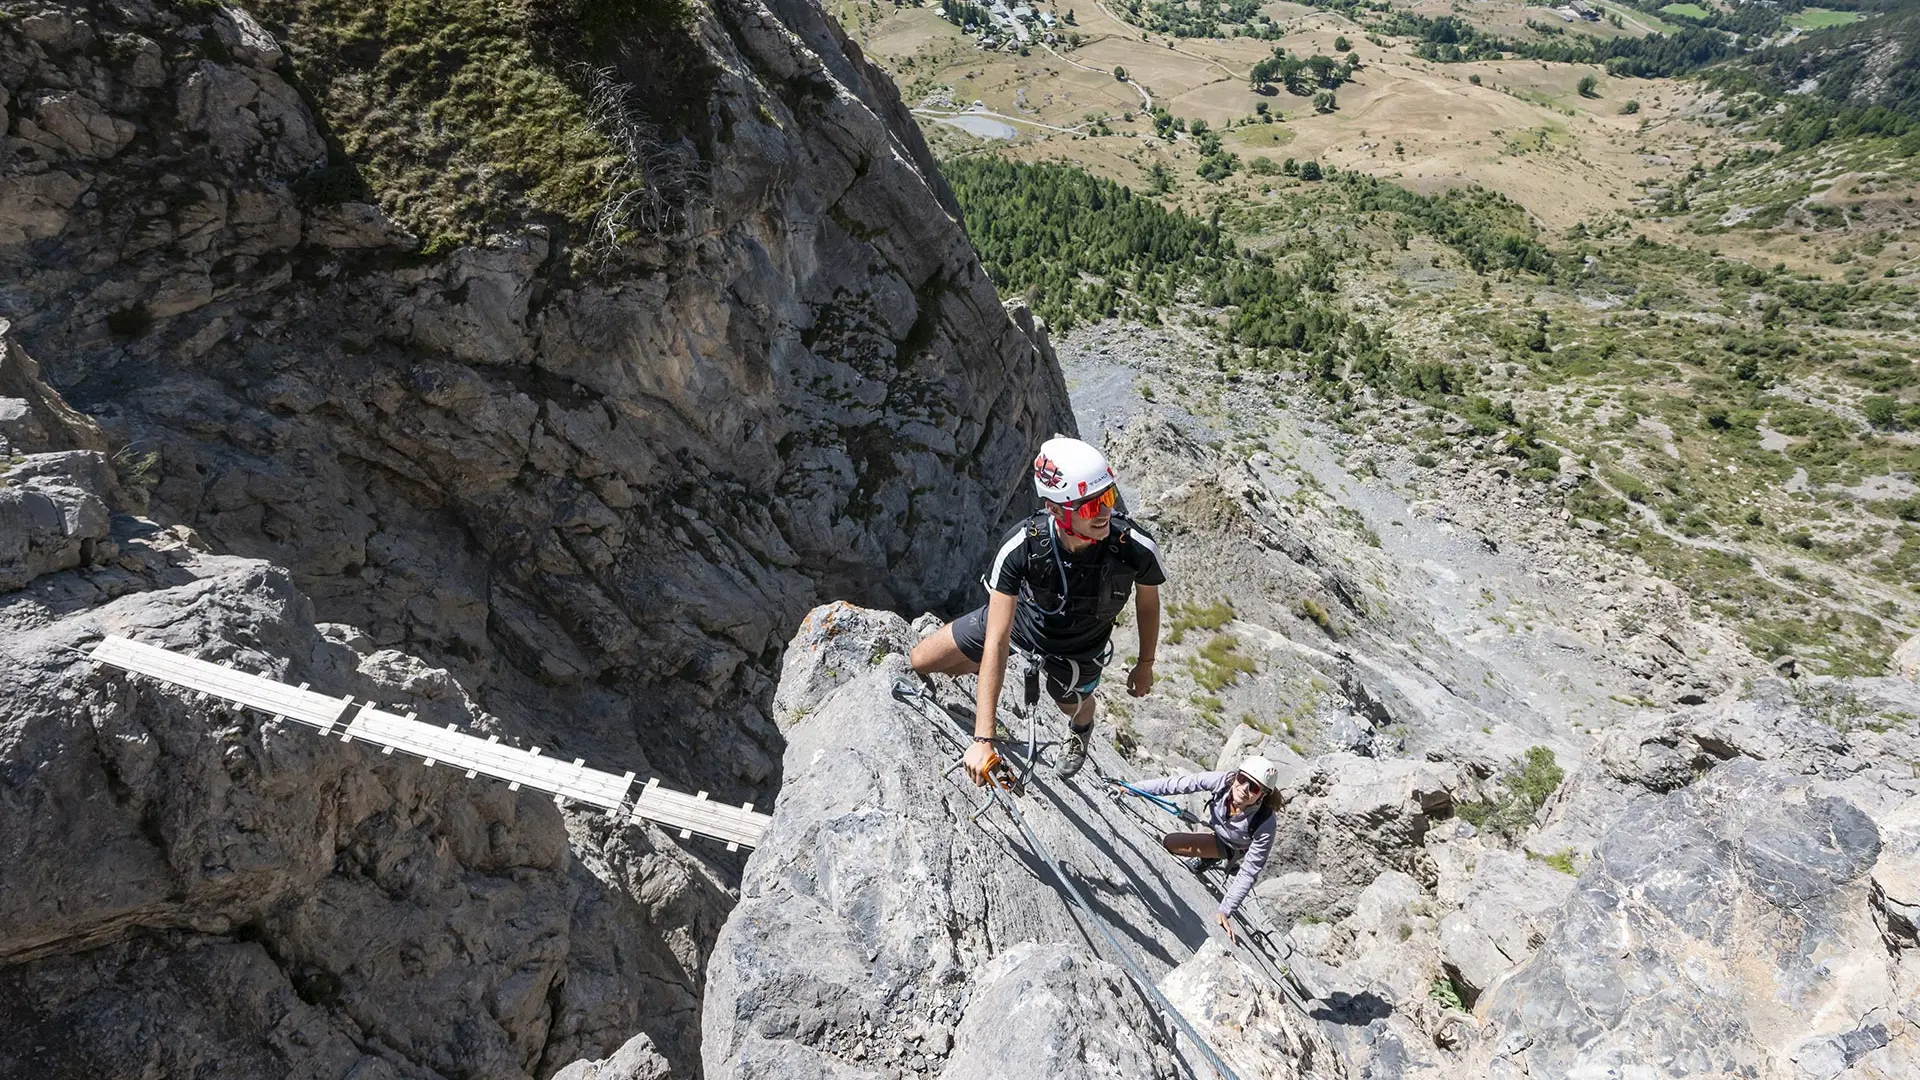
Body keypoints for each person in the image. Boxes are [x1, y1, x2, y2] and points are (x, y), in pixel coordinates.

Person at [910, 436, 1165, 782]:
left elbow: (1147, 604)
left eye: (1107, 498)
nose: (1105, 513)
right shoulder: (1023, 546)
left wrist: (1145, 664)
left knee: (1068, 701)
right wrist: (984, 739)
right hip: (1020, 627)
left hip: (1080, 649)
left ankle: (1082, 726)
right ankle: (982, 671)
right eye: (1090, 506)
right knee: (921, 661)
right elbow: (998, 637)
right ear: (1055, 509)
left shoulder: (1134, 548)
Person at [1123, 756, 1285, 942]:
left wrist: (1225, 910)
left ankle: (1215, 857)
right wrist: (1131, 789)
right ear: (1237, 776)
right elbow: (1177, 784)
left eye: (1254, 787)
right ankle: (1210, 856)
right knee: (1169, 843)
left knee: (1177, 843)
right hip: (1216, 828)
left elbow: (1250, 872)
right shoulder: (1222, 781)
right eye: (1242, 779)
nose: (1244, 789)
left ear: (1262, 794)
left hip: (1231, 847)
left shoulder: (1265, 823)